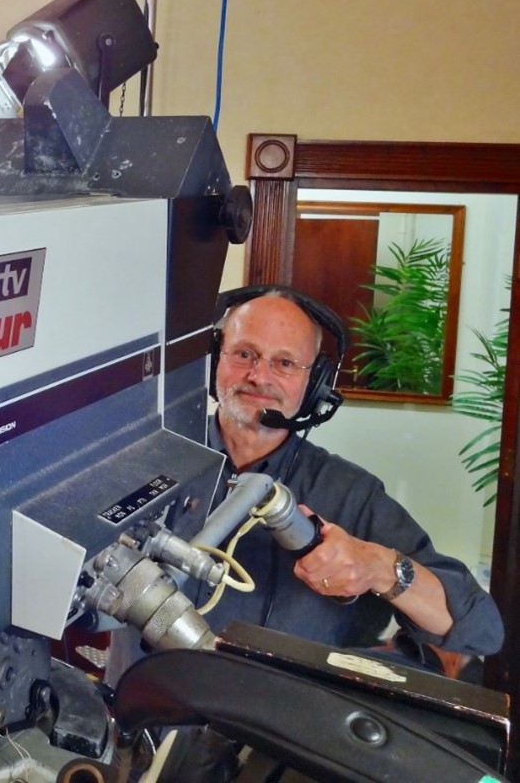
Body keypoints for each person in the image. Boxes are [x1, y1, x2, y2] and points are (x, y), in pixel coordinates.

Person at [108, 286, 503, 683]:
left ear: (315, 382)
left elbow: (481, 628)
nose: (258, 376)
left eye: (284, 362)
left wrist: (379, 568)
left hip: (264, 737)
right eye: (244, 354)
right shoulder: (140, 459)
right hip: (133, 724)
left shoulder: (352, 494)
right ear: (215, 358)